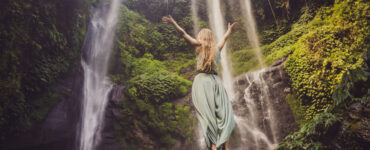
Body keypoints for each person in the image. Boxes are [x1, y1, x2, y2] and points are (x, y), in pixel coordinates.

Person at [162, 15, 237, 150]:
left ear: (201, 37)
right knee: (225, 115)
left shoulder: (199, 45)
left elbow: (183, 33)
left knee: (208, 116)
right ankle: (226, 147)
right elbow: (225, 38)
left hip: (202, 82)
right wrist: (230, 30)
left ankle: (214, 147)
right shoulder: (217, 48)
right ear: (211, 37)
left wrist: (174, 23)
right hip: (215, 82)